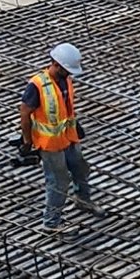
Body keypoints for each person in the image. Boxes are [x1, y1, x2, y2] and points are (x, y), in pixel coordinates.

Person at [20, 40, 92, 228]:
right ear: (56, 65)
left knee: (80, 168)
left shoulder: (65, 79)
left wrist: (75, 124)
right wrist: (27, 141)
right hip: (50, 144)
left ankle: (83, 201)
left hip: (69, 136)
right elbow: (25, 113)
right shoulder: (37, 85)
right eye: (67, 70)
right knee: (59, 182)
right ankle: (51, 223)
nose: (70, 74)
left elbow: (64, 108)